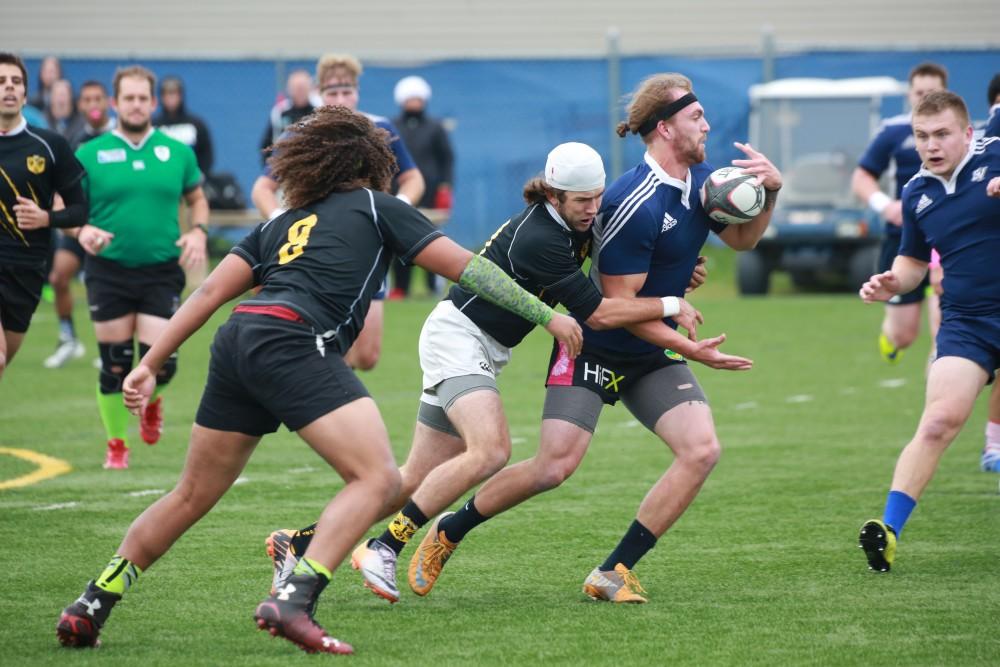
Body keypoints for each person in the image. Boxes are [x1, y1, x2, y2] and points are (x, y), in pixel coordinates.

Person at [55, 106, 583, 655]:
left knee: (191, 493)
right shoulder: (382, 208)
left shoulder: (280, 222)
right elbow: (472, 269)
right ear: (371, 161)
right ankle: (294, 595)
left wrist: (148, 361)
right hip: (294, 340)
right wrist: (549, 315)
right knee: (378, 478)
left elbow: (210, 294)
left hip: (239, 340)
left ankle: (93, 601)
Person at [264, 141, 711, 603]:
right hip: (459, 338)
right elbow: (596, 313)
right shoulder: (543, 237)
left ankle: (296, 543)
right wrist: (673, 303)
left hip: (483, 346)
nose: (592, 210)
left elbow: (627, 259)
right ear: (554, 195)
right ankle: (384, 546)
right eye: (582, 201)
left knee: (411, 479)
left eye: (597, 198)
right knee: (491, 449)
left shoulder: (576, 220)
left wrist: (679, 271)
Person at [857, 91, 1000, 572]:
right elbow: (914, 260)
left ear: (967, 133)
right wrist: (893, 282)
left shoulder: (996, 153)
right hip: (967, 322)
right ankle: (890, 530)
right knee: (938, 421)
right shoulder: (917, 192)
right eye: (922, 136)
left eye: (941, 134)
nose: (931, 145)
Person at [73, 65, 209, 469]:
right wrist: (83, 230)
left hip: (161, 269)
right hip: (107, 269)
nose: (136, 105)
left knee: (161, 362)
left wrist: (199, 231)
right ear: (115, 103)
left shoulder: (177, 152)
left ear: (153, 102)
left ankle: (154, 402)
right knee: (115, 362)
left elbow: (197, 199)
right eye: (128, 98)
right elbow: (69, 208)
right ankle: (117, 444)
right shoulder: (89, 153)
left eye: (142, 98)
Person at [252, 53, 425, 371]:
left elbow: (413, 179)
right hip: (319, 248)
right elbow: (262, 188)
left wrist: (396, 209)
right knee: (328, 344)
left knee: (368, 356)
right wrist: (280, 220)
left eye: (347, 92)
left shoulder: (379, 129)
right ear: (320, 93)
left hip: (369, 245)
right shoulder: (302, 133)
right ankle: (327, 407)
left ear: (357, 91)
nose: (340, 99)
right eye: (332, 92)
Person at [851, 63, 947, 365]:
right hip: (903, 238)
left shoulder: (961, 133)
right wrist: (886, 206)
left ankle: (944, 373)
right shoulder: (893, 132)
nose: (925, 97)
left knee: (943, 331)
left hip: (947, 237)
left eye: (933, 92)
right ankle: (891, 337)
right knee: (904, 334)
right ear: (909, 94)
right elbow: (861, 178)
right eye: (920, 92)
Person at [0, 52, 88, 382]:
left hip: (27, 271)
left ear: (25, 92)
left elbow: (80, 210)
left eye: (16, 82)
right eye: (1, 81)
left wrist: (45, 218)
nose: (9, 88)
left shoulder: (50, 145)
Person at [44, 80, 116, 370]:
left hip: (107, 224)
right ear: (81, 105)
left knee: (106, 287)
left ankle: (111, 348)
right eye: (87, 100)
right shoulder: (73, 139)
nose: (93, 105)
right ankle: (69, 338)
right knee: (59, 277)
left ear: (107, 102)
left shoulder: (117, 135)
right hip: (78, 223)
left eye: (98, 98)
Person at [389, 75, 454, 299]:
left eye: (417, 99)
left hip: (430, 193)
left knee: (431, 239)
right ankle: (400, 287)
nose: (414, 103)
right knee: (397, 240)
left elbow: (446, 159)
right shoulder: (392, 127)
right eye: (410, 99)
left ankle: (433, 286)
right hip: (398, 193)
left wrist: (445, 187)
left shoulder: (436, 127)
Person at [154, 75, 214, 175]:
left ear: (181, 96)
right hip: (161, 179)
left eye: (174, 94)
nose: (171, 98)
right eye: (167, 94)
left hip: (191, 179)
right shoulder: (153, 126)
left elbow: (206, 155)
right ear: (161, 97)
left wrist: (198, 177)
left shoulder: (196, 124)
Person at [257, 69, 314, 165]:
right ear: (289, 89)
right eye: (296, 88)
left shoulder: (319, 111)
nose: (300, 92)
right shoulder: (279, 112)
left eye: (303, 88)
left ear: (310, 88)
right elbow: (266, 145)